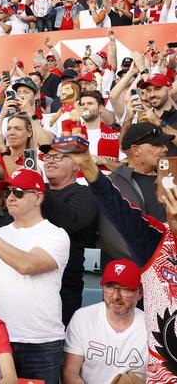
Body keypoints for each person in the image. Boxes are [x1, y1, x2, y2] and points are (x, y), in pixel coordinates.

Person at [66, 149, 177, 383]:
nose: (156, 179)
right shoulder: (155, 238)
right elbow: (116, 207)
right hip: (163, 376)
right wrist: (87, 165)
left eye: (163, 174)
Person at [0, 168, 70, 384]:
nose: (10, 197)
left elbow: (26, 265)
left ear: (38, 197)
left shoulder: (56, 234)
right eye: (8, 192)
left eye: (18, 192)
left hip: (40, 341)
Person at [40, 145, 99, 326]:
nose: (50, 160)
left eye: (58, 156)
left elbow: (67, 223)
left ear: (76, 165)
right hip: (29, 281)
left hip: (64, 285)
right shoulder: (34, 191)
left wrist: (39, 188)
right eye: (47, 156)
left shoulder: (85, 194)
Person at [63, 259, 148, 384]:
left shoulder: (152, 327)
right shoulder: (83, 318)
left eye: (125, 288)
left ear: (140, 292)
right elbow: (69, 373)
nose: (116, 296)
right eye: (109, 287)